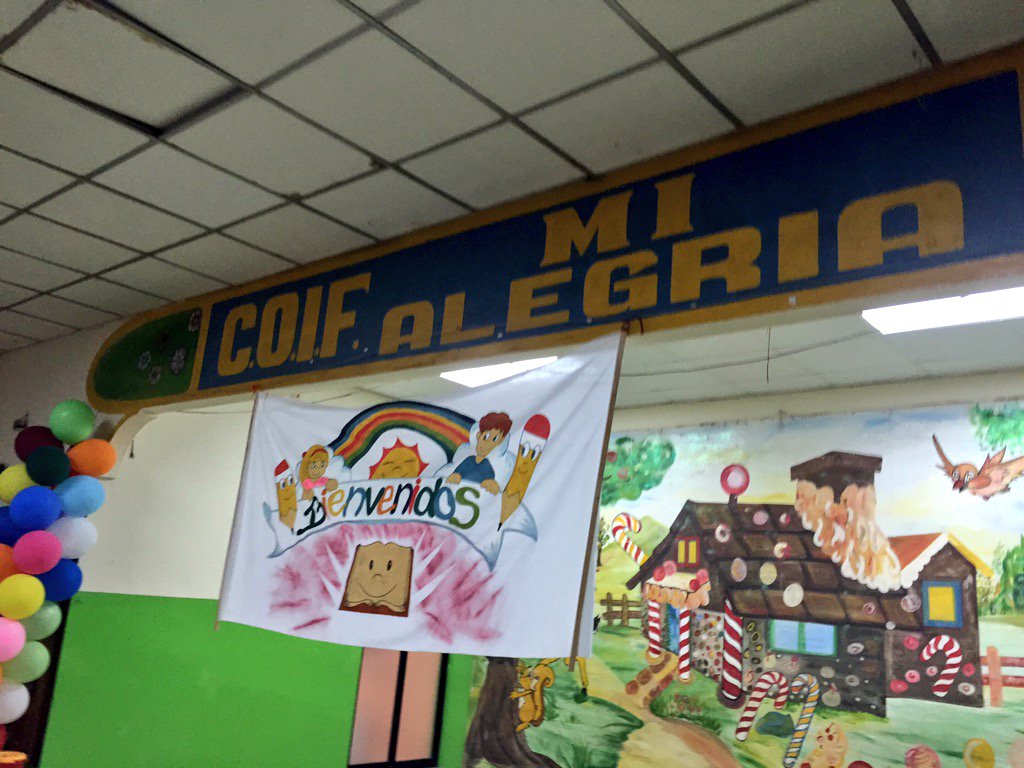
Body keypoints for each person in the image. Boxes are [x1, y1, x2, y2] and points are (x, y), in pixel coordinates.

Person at [447, 412, 512, 494]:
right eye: (485, 437)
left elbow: (490, 484)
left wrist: (492, 484)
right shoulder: (469, 460)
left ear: (500, 441)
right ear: (478, 435)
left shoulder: (487, 466)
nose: (487, 443)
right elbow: (455, 474)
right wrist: (455, 476)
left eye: (494, 439)